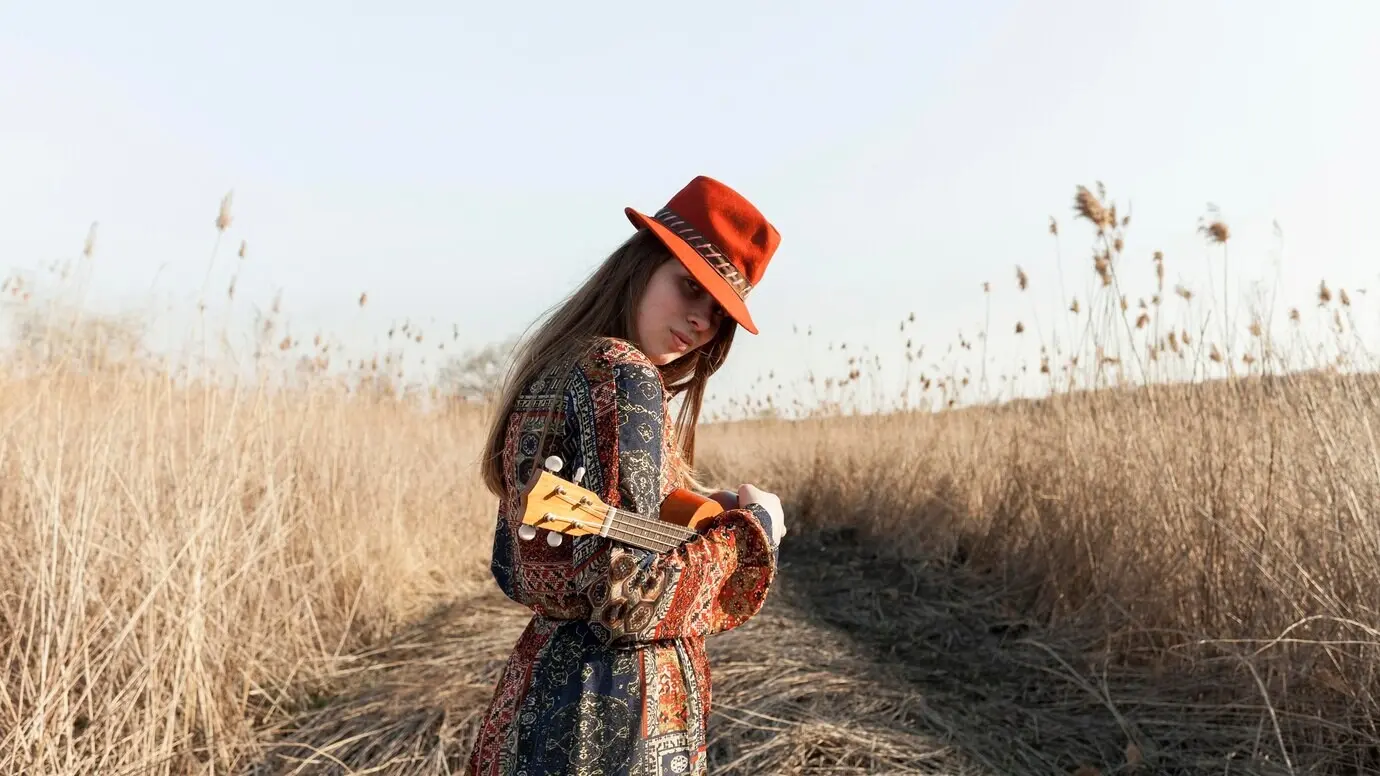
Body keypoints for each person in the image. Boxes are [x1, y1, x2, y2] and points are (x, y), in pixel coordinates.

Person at [466, 175, 788, 776]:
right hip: (612, 717)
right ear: (641, 265)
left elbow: (515, 564)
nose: (701, 321)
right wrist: (753, 533)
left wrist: (694, 516)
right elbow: (632, 597)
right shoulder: (624, 375)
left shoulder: (559, 367)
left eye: (718, 313)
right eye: (690, 286)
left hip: (537, 694)